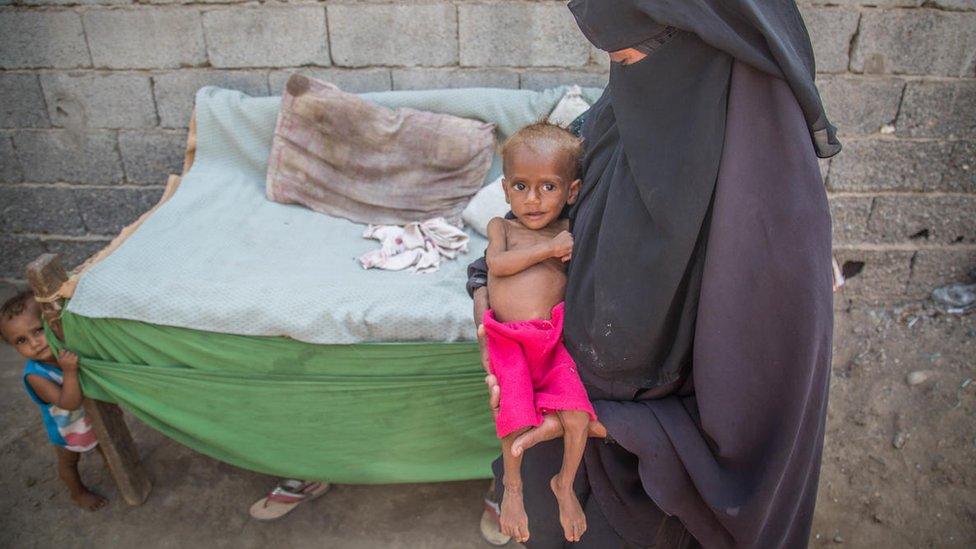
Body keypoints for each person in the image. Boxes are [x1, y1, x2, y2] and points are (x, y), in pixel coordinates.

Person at [470, 1, 841, 547]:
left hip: (659, 490)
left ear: (705, 52)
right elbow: (514, 235)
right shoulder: (610, 124)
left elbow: (757, 423)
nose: (622, 79)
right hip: (559, 414)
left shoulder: (769, 220)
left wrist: (605, 423)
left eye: (627, 56)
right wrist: (488, 316)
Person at [482, 122, 595, 544]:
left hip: (550, 339)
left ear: (571, 190)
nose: (532, 199)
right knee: (512, 409)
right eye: (520, 186)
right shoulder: (503, 228)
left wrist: (563, 246)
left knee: (577, 413)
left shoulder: (571, 231)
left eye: (548, 187)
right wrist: (549, 249)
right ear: (505, 189)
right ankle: (512, 488)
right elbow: (497, 266)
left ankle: (564, 483)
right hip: (509, 339)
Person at [1, 291, 106, 511]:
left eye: (38, 330)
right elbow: (69, 403)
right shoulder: (36, 375)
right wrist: (69, 372)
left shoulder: (66, 349)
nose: (34, 343)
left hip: (92, 417)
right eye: (21, 340)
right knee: (69, 462)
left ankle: (114, 465)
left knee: (105, 444)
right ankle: (77, 493)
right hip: (67, 429)